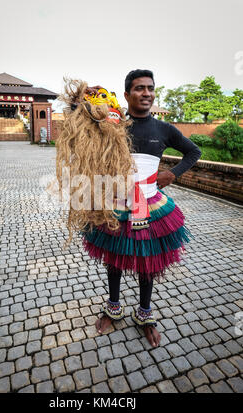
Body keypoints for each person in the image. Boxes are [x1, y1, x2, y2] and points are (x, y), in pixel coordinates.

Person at [86, 70, 202, 347]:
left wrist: (172, 174)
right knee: (114, 258)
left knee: (145, 262)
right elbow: (81, 123)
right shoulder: (113, 126)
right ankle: (113, 308)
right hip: (115, 204)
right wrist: (85, 96)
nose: (146, 93)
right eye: (139, 88)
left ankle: (145, 315)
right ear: (126, 94)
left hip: (148, 204)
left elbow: (194, 152)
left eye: (150, 88)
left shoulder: (164, 129)